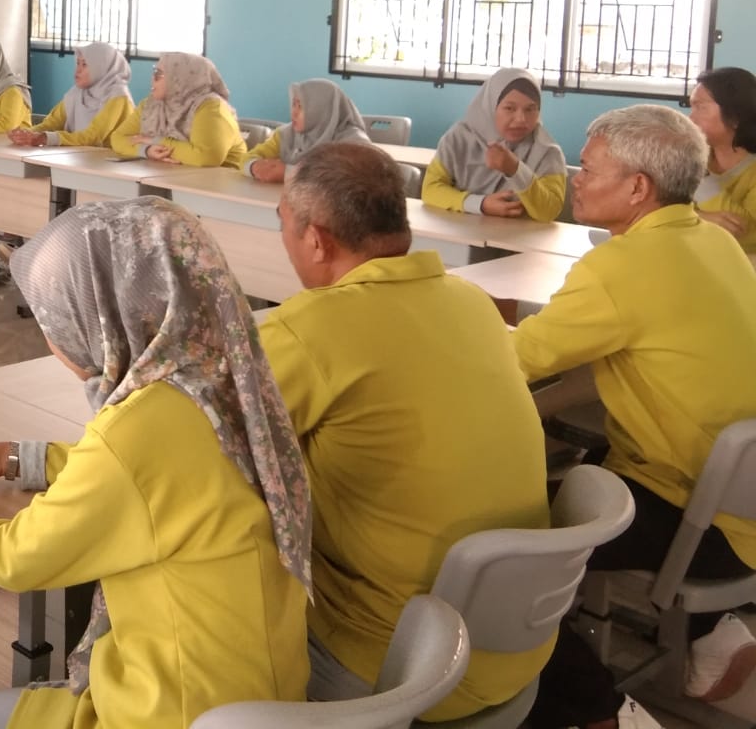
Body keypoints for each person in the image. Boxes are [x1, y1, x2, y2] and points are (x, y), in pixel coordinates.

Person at [0, 197, 313, 728]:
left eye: (54, 316)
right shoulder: (221, 379)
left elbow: (16, 558)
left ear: (101, 316)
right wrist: (10, 459)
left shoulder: (138, 430)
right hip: (254, 695)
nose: (51, 335)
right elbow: (146, 479)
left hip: (171, 712)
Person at [256, 141, 553, 719]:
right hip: (516, 646)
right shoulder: (473, 303)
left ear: (316, 240)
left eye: (284, 225)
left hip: (393, 665)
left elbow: (185, 440)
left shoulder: (309, 330)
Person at [514, 105, 756, 729]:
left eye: (589, 168)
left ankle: (599, 709)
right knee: (585, 459)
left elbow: (509, 361)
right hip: (738, 509)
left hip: (699, 524)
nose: (576, 178)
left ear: (637, 188)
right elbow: (619, 362)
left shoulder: (618, 268)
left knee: (497, 557)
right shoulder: (715, 241)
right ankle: (714, 632)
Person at [422, 67, 567, 221]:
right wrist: (480, 204)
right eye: (510, 108)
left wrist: (515, 170)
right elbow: (430, 189)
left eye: (530, 109)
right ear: (490, 106)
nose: (521, 119)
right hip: (462, 232)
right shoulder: (458, 139)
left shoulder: (547, 151)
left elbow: (549, 211)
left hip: (518, 235)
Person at [108, 52, 244, 167]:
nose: (153, 79)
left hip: (222, 184)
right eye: (154, 72)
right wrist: (147, 150)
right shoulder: (151, 105)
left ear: (180, 77)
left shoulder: (211, 107)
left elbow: (205, 157)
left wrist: (154, 140)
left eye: (158, 74)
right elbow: (117, 138)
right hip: (172, 178)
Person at [8, 42, 135, 150]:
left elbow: (93, 137)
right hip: (81, 158)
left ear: (101, 67)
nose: (78, 70)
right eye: (77, 63)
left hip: (111, 164)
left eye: (84, 65)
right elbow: (52, 123)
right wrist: (25, 134)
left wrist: (45, 138)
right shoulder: (77, 93)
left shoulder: (118, 97)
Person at [245, 78, 370, 183]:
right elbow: (247, 158)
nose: (293, 113)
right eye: (293, 104)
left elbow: (356, 180)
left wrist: (289, 173)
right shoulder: (286, 134)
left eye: (301, 106)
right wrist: (253, 167)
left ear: (322, 110)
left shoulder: (354, 143)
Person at [689, 66, 756, 252]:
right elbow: (654, 214)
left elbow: (747, 235)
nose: (690, 118)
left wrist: (700, 176)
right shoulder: (687, 156)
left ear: (735, 116)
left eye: (701, 107)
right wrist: (699, 218)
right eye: (692, 107)